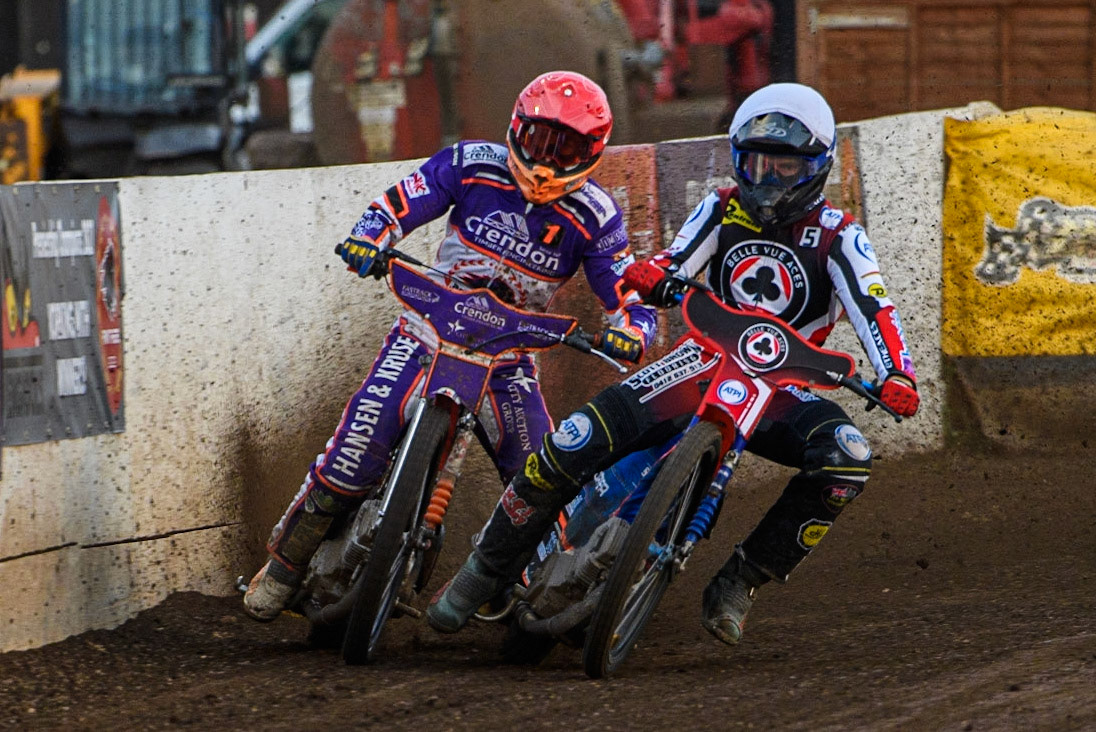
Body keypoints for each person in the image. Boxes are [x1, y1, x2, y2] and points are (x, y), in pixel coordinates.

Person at [427, 82, 920, 646]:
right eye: (757, 164)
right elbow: (675, 259)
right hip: (699, 363)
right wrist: (652, 274)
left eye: (785, 168)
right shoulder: (722, 206)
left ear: (817, 167)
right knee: (570, 442)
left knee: (848, 460)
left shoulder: (839, 236)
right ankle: (482, 571)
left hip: (783, 388)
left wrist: (896, 373)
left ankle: (742, 579)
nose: (767, 180)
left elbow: (874, 308)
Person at [243, 70, 657, 621]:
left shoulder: (596, 216)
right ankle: (283, 568)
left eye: (568, 149)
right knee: (352, 455)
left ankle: (530, 584)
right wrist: (370, 238)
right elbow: (397, 202)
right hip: (425, 332)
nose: (548, 161)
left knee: (543, 475)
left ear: (593, 151)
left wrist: (633, 328)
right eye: (539, 141)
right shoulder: (470, 163)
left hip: (508, 360)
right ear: (516, 128)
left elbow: (628, 291)